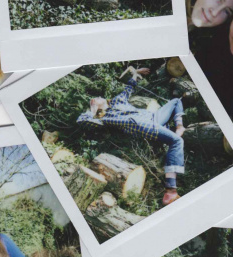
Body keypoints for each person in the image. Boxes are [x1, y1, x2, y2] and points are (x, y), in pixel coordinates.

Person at [77, 67, 186, 206]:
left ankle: (179, 126)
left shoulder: (117, 101)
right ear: (98, 108)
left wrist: (136, 73)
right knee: (177, 141)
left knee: (176, 101)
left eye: (98, 97)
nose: (98, 97)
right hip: (143, 125)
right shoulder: (105, 118)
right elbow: (82, 121)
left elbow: (129, 88)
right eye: (96, 99)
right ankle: (170, 190)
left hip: (153, 117)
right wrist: (92, 109)